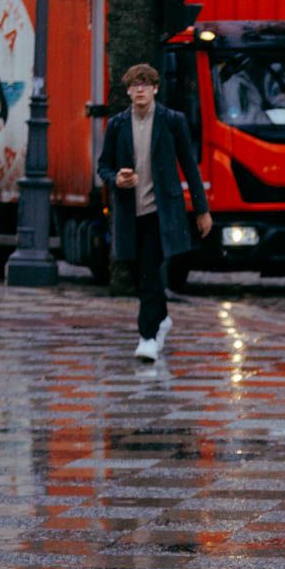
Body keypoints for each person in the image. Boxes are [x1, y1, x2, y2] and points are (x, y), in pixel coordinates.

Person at [96, 64, 211, 361]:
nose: (140, 90)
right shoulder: (118, 125)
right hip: (129, 212)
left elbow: (189, 165)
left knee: (149, 270)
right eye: (134, 85)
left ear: (156, 88)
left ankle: (147, 337)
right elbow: (103, 165)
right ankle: (161, 318)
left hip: (161, 213)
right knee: (137, 274)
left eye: (145, 84)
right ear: (128, 91)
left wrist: (202, 210)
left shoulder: (172, 121)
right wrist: (116, 179)